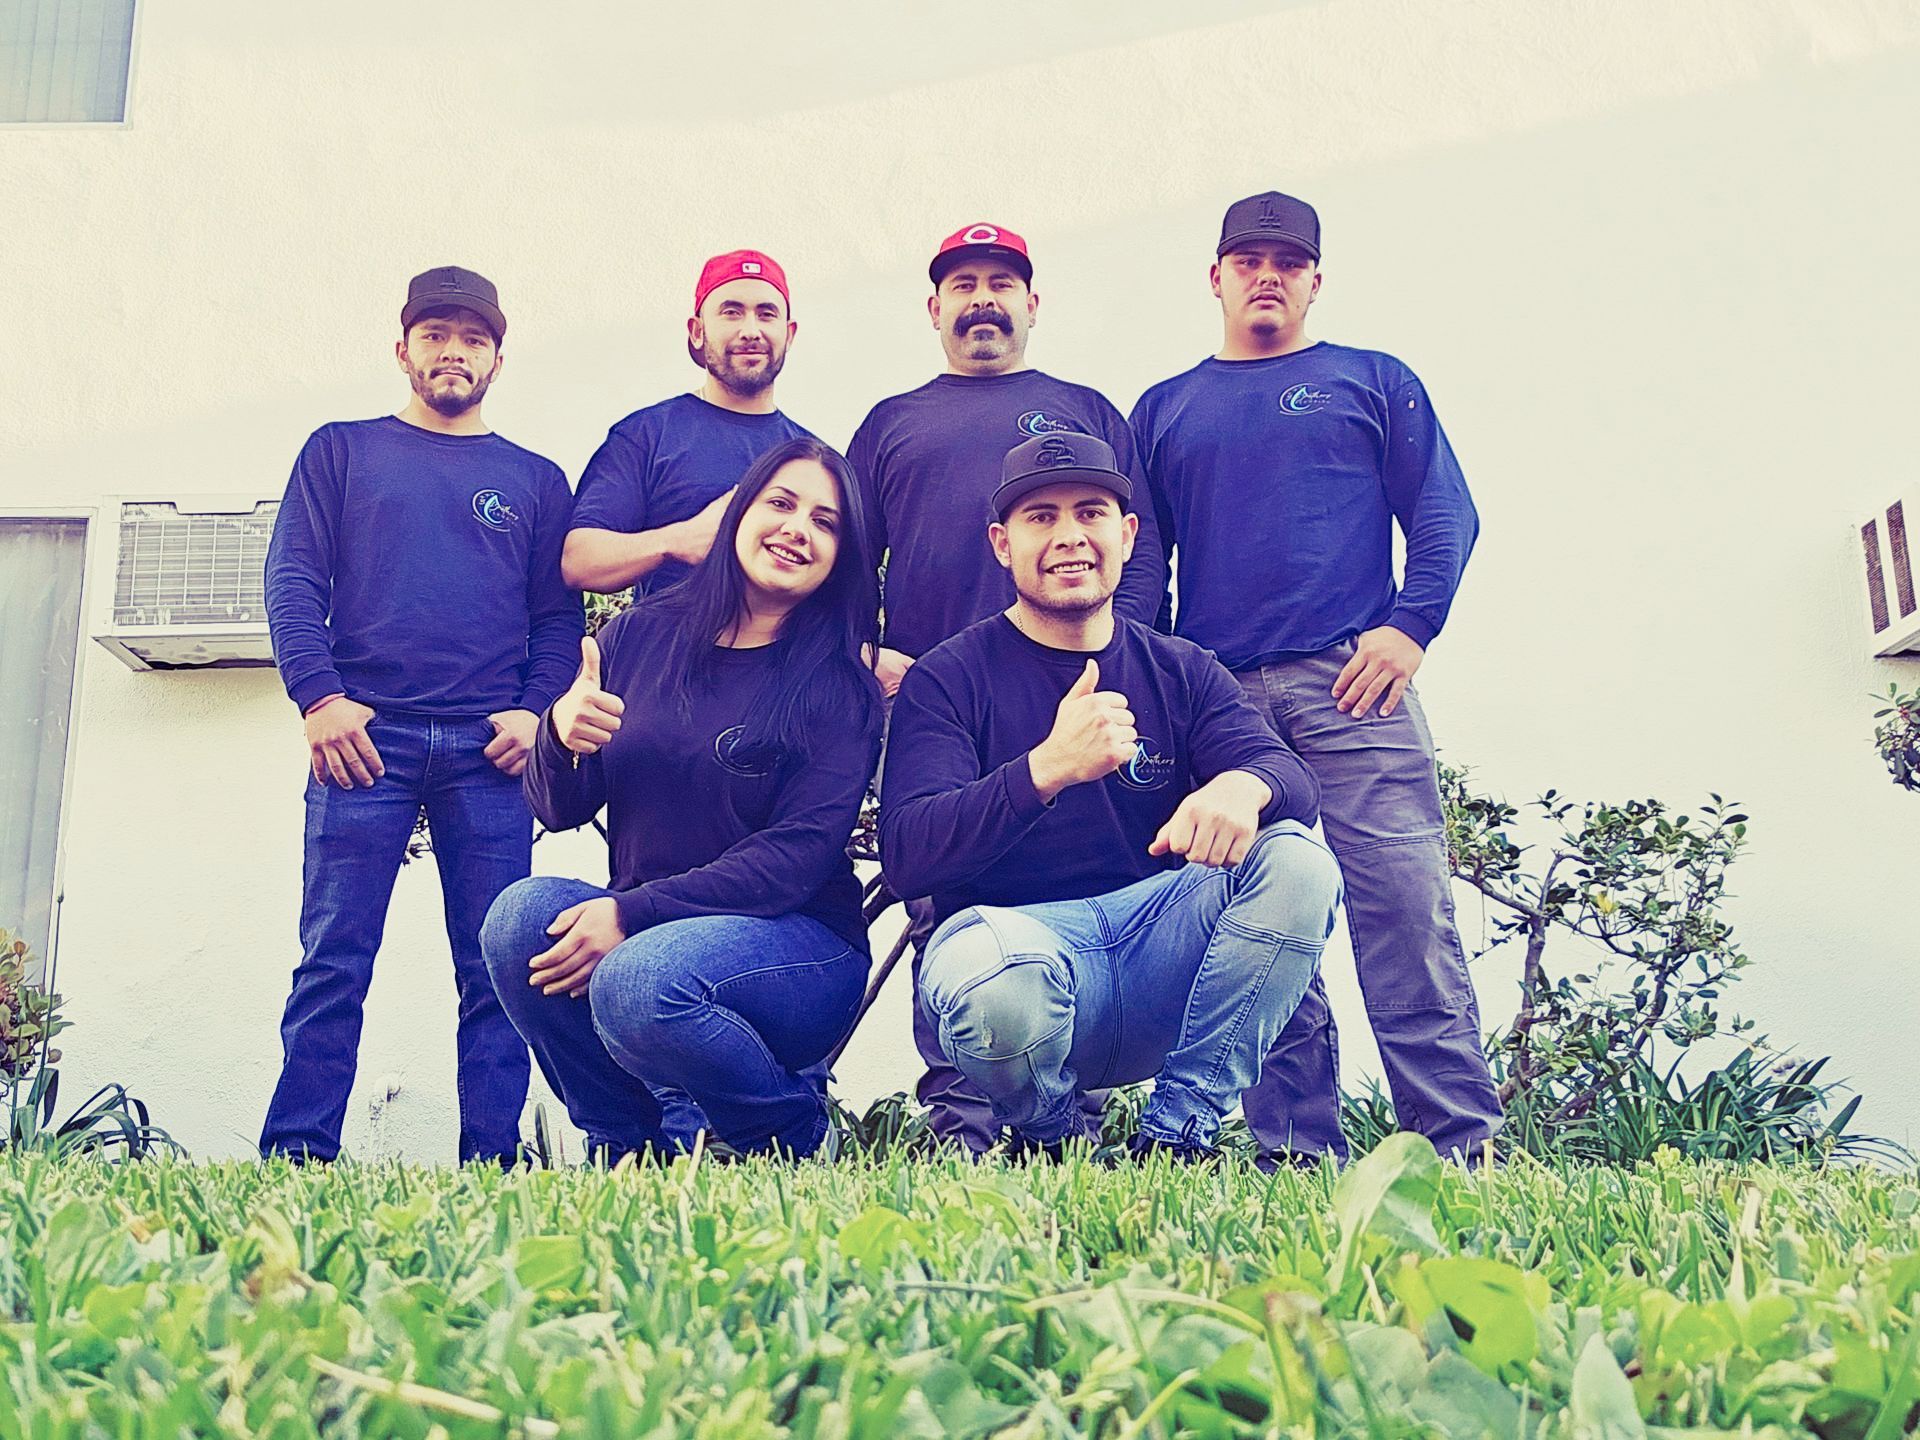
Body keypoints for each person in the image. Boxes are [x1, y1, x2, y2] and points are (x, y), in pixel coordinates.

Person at [1129, 190, 1502, 1166]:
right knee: (1262, 922)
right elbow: (1140, 564)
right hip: (1220, 707)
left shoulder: (1372, 381)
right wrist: (1147, 682)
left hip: (1352, 688)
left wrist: (1409, 628)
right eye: (1247, 259)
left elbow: (1444, 516)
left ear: (1314, 281)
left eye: (1287, 262)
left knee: (1405, 913)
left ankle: (1459, 1153)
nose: (1266, 274)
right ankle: (1293, 1158)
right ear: (1214, 277)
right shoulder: (1164, 408)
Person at [879, 433, 1341, 1157]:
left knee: (1299, 861)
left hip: (1157, 953)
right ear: (1003, 544)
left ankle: (1179, 1132)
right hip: (1017, 956)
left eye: (1089, 513)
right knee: (991, 975)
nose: (1069, 537)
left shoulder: (1180, 669)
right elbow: (908, 855)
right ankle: (1050, 1137)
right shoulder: (948, 678)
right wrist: (1045, 769)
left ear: (1125, 535)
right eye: (1041, 518)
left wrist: (1242, 786)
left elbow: (1291, 779)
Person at [849, 222, 1169, 1152]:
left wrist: (1124, 670)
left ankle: (1073, 1114)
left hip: (1074, 696)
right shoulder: (889, 424)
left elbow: (1138, 558)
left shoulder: (1083, 409)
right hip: (936, 704)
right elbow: (842, 563)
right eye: (964, 284)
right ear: (935, 307)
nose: (982, 299)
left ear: (1033, 303)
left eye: (1001, 283)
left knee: (1088, 883)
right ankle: (963, 1120)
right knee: (948, 890)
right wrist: (867, 656)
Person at [481, 437, 883, 1160]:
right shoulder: (637, 636)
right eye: (782, 504)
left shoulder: (841, 685)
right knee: (518, 923)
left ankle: (784, 1129)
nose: (798, 528)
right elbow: (556, 808)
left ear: (841, 556)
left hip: (798, 948)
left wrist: (631, 913)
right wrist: (560, 738)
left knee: (639, 979)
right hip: (658, 928)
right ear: (737, 516)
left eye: (826, 523)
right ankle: (626, 1146)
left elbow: (793, 860)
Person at [260, 266, 581, 1165]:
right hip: (365, 743)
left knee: (497, 974)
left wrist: (534, 714)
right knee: (333, 961)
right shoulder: (341, 451)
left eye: (473, 339)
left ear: (497, 359)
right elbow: (292, 579)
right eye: (436, 335)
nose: (453, 352)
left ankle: (493, 1165)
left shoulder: (534, 479)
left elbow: (556, 621)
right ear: (402, 348)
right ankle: (296, 1156)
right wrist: (319, 698)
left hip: (490, 753)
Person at [562, 250, 812, 596]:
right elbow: (580, 561)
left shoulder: (812, 458)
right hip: (670, 650)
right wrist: (677, 540)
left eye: (766, 314)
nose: (750, 330)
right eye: (731, 313)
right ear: (697, 331)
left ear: (789, 334)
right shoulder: (647, 435)